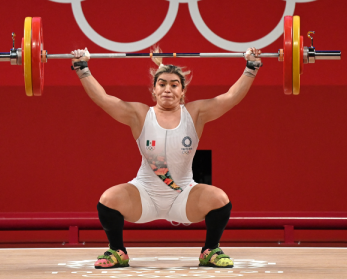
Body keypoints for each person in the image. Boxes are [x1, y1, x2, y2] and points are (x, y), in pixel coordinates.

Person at [70, 47, 262, 269]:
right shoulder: (140, 114)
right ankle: (117, 250)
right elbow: (103, 99)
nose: (167, 89)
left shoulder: (195, 114)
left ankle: (210, 250)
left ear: (182, 91)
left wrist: (252, 67)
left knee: (219, 199)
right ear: (154, 90)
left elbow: (230, 97)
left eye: (174, 85)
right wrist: (82, 67)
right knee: (108, 199)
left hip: (183, 196)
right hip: (145, 194)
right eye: (162, 84)